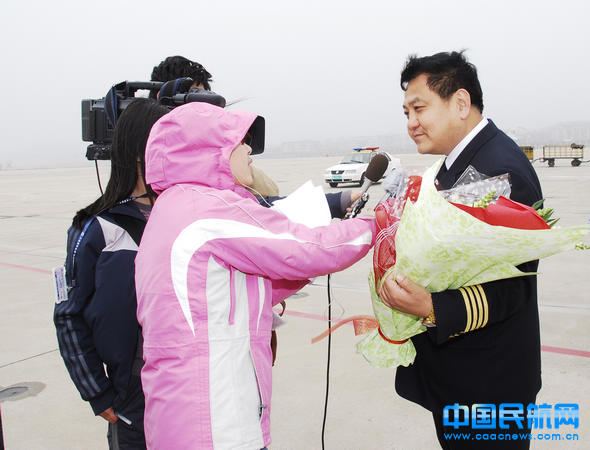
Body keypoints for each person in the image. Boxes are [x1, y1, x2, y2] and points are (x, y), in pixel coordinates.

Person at [135, 101, 376, 449]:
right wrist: (376, 225)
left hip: (181, 416)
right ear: (209, 150)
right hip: (215, 422)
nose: (249, 150)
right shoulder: (205, 211)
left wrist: (295, 274)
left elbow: (231, 290)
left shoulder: (173, 207)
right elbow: (308, 247)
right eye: (239, 141)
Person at [379, 51, 543, 449]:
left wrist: (432, 306)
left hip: (489, 385)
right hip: (460, 376)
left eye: (419, 108)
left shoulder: (500, 170)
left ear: (461, 103)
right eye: (406, 112)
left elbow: (513, 286)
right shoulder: (455, 164)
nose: (411, 123)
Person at [54, 98, 170, 449]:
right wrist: (97, 391)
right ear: (137, 152)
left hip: (186, 385)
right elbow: (68, 314)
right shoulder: (95, 228)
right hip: (131, 396)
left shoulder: (183, 214)